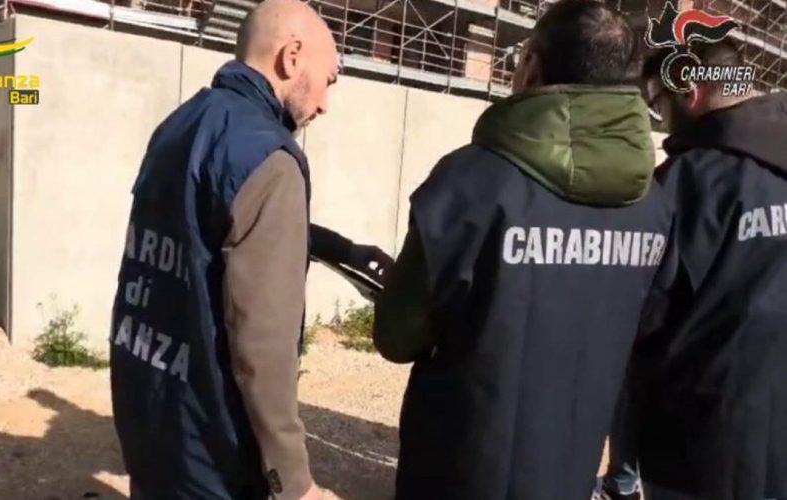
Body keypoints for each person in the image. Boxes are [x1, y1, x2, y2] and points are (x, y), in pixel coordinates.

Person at [371, 1, 677, 498]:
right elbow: (649, 332)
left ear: (531, 66)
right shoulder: (655, 207)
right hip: (567, 471)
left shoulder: (469, 182)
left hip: (458, 471)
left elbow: (396, 335)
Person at [108, 0, 390, 498]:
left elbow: (205, 228)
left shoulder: (180, 125)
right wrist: (294, 481)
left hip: (149, 415)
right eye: (329, 80)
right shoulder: (271, 157)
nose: (325, 103)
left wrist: (342, 249)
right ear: (292, 56)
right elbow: (263, 348)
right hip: (213, 449)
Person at [597, 39, 787, 500]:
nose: (658, 118)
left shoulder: (682, 185)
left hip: (699, 452)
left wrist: (623, 467)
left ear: (692, 92)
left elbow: (637, 330)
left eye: (658, 103)